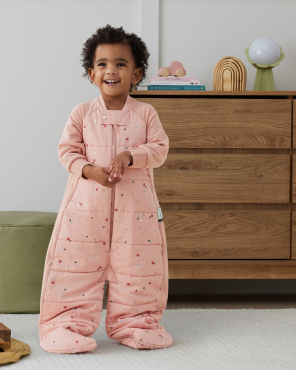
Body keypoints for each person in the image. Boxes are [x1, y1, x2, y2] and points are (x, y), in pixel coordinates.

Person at [37, 25, 173, 353]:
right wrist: (89, 171)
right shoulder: (82, 113)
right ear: (91, 73)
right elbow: (66, 151)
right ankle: (65, 323)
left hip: (134, 213)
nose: (111, 70)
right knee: (75, 266)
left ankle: (136, 322)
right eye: (102, 64)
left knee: (137, 268)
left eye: (121, 64)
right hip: (85, 210)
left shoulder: (145, 114)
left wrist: (131, 156)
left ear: (136, 73)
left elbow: (160, 149)